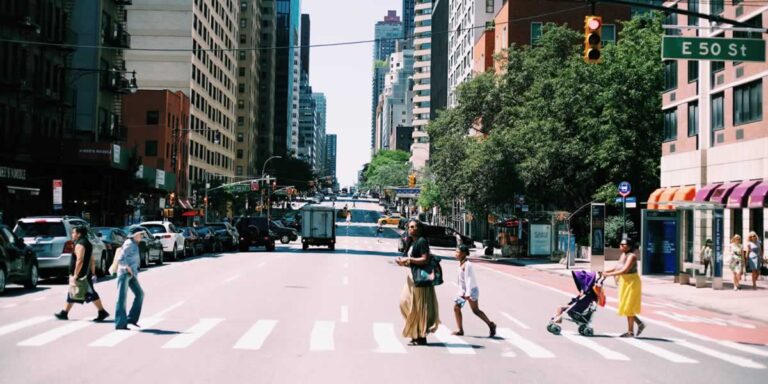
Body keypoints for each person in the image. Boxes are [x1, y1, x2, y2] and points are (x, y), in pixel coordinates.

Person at [395, 219, 440, 345]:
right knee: (405, 303)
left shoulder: (421, 241)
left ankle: (420, 336)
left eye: (413, 227)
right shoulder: (413, 242)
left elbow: (425, 260)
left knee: (419, 307)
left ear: (419, 229)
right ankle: (416, 333)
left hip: (420, 280)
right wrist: (404, 263)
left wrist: (409, 260)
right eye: (409, 227)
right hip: (412, 278)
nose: (410, 229)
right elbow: (414, 262)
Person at [54, 226, 110, 322]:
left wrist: (76, 274)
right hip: (85, 274)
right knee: (73, 292)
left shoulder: (80, 244)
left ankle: (102, 312)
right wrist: (93, 272)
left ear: (79, 234)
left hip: (82, 275)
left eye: (73, 232)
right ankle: (64, 313)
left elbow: (79, 260)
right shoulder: (87, 243)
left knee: (90, 293)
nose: (72, 234)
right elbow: (91, 259)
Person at [602, 239, 645, 338]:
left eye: (623, 244)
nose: (620, 246)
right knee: (625, 305)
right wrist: (605, 271)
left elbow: (624, 270)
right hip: (624, 282)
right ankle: (639, 324)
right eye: (620, 244)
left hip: (632, 282)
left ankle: (630, 332)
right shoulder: (623, 255)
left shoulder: (632, 256)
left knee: (629, 306)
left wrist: (608, 274)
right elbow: (617, 267)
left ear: (629, 246)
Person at [452, 244, 496, 337]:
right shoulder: (461, 263)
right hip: (463, 291)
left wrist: (468, 293)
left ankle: (491, 325)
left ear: (463, 253)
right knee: (456, 308)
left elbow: (469, 280)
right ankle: (460, 330)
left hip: (471, 290)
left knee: (475, 311)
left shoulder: (467, 265)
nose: (455, 254)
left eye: (457, 252)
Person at [114, 228, 145, 330]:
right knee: (121, 298)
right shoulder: (129, 243)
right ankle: (120, 323)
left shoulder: (134, 243)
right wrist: (128, 268)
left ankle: (131, 318)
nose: (142, 236)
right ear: (134, 235)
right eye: (140, 234)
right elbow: (121, 259)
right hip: (125, 274)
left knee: (140, 294)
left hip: (131, 275)